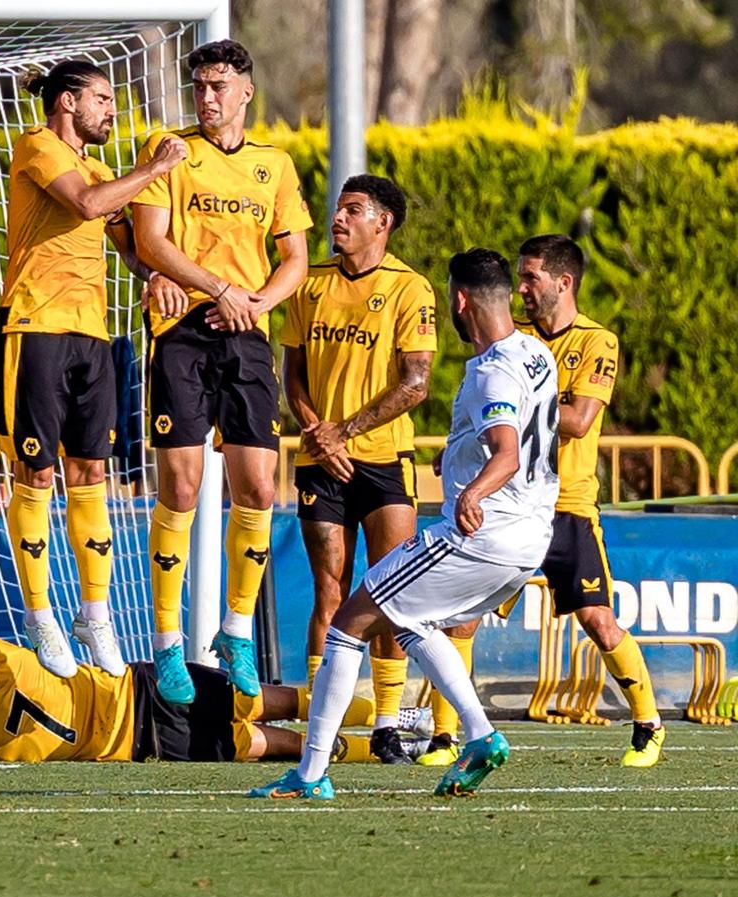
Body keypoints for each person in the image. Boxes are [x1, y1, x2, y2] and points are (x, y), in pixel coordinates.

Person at [253, 249, 558, 800]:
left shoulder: (491, 371)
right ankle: (483, 736)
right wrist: (457, 455)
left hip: (482, 533)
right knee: (411, 623)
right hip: (531, 537)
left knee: (349, 622)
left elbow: (507, 453)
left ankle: (310, 773)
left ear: (459, 300)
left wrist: (475, 491)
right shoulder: (537, 353)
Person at [131, 38, 311, 703]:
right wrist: (217, 287)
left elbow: (293, 255)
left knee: (259, 486)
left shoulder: (275, 166)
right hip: (184, 332)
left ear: (246, 93)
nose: (206, 98)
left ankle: (237, 629)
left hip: (247, 337)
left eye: (218, 86)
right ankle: (167, 641)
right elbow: (150, 239)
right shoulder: (169, 150)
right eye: (199, 86)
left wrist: (258, 300)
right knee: (181, 483)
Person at [0, 59, 184, 676]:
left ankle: (94, 615)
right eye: (101, 99)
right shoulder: (38, 147)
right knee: (36, 471)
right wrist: (154, 168)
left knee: (92, 472)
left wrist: (155, 275)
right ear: (68, 102)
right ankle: (41, 615)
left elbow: (126, 242)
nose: (110, 110)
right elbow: (84, 203)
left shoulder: (103, 169)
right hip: (34, 327)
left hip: (93, 335)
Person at [280, 175, 437, 762]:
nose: (338, 220)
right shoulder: (310, 283)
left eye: (353, 210)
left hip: (384, 462)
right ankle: (327, 726)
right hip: (321, 462)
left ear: (384, 222)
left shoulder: (410, 288)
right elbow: (291, 373)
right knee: (330, 590)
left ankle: (389, 725)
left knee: (392, 593)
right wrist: (317, 432)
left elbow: (416, 383)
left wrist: (342, 431)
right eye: (337, 209)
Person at [516, 234, 663, 767]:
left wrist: (512, 413)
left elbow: (577, 421)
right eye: (520, 277)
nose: (521, 288)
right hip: (513, 503)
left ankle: (648, 724)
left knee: (598, 620)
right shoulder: (512, 339)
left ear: (564, 281)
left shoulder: (598, 341)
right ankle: (443, 738)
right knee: (462, 614)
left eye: (530, 277)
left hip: (569, 506)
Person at [0, 623, 413, 765]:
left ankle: (380, 747)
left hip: (143, 744)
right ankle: (394, 719)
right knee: (263, 702)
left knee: (258, 742)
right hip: (140, 687)